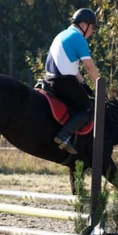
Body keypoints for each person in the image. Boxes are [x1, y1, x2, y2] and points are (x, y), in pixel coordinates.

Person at [44, 8, 99, 155]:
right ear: (83, 24)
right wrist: (100, 85)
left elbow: (74, 70)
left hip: (49, 79)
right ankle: (63, 135)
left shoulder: (63, 34)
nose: (92, 31)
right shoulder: (78, 38)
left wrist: (85, 85)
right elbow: (89, 66)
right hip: (63, 82)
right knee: (87, 108)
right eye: (92, 27)